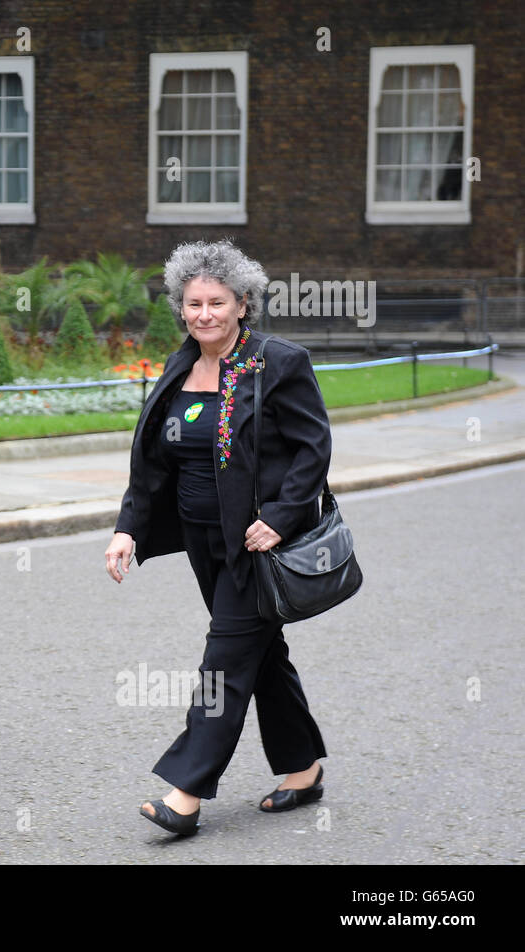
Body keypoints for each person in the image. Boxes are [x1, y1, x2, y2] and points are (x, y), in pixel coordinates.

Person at [105, 239, 330, 836]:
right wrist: (129, 528)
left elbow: (314, 449)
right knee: (261, 652)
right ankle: (303, 769)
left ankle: (184, 792)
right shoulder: (181, 365)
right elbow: (152, 462)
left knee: (224, 662)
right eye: (193, 303)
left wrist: (281, 516)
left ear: (243, 304)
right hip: (202, 543)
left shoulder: (276, 362)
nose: (204, 314)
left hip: (258, 544)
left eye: (217, 303)